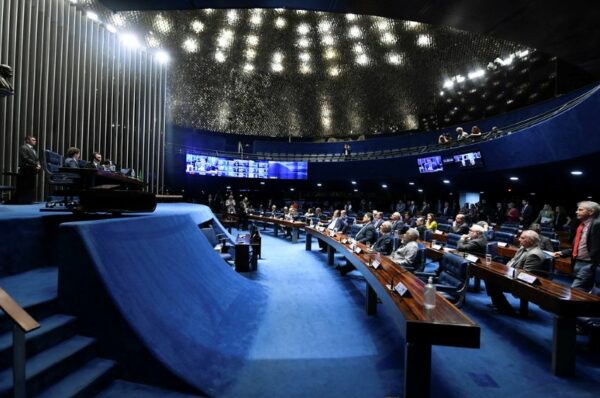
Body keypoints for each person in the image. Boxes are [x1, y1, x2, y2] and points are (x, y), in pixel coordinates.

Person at [486, 230, 546, 314]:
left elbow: (526, 274)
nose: (519, 239)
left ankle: (505, 307)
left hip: (523, 282)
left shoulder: (534, 255)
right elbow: (513, 260)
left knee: (492, 280)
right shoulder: (523, 248)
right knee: (488, 275)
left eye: (522, 238)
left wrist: (505, 273)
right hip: (511, 274)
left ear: (530, 241)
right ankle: (499, 304)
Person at [554, 201, 600, 291]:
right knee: (582, 293)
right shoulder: (582, 225)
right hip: (578, 262)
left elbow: (596, 248)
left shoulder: (597, 224)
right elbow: (581, 247)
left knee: (576, 290)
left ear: (591, 212)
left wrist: (593, 264)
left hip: (588, 264)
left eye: (580, 210)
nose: (576, 212)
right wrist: (562, 252)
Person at [16, 135, 41, 204]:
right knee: (25, 186)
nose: (35, 141)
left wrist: (38, 165)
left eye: (35, 140)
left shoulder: (33, 149)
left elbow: (37, 159)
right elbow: (25, 158)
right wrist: (36, 164)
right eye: (33, 140)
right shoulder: (23, 147)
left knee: (31, 186)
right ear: (27, 140)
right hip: (26, 170)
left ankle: (30, 200)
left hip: (32, 170)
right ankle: (25, 201)